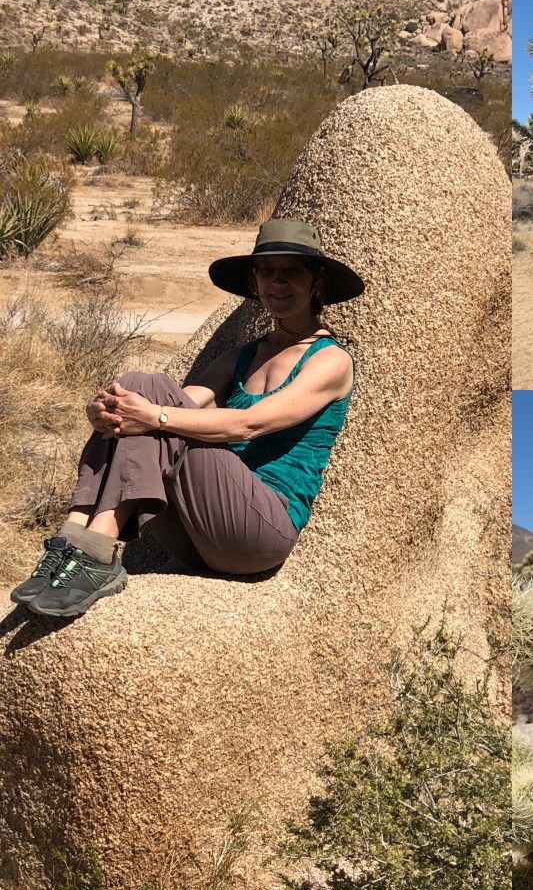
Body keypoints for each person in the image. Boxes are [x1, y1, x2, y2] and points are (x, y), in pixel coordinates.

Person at [9, 217, 363, 619]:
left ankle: (94, 551)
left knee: (153, 396)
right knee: (141, 389)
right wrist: (106, 412)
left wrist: (151, 413)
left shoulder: (331, 360)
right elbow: (173, 407)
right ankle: (71, 542)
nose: (278, 283)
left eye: (292, 272)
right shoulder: (243, 356)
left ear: (316, 281)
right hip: (199, 534)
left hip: (261, 533)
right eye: (267, 271)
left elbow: (250, 424)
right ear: (254, 281)